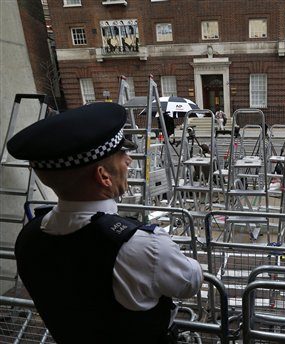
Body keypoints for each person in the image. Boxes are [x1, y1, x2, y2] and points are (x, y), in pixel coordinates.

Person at [7, 102, 203, 343]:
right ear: (103, 176)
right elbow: (189, 283)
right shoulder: (143, 247)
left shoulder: (27, 237)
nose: (129, 160)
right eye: (123, 154)